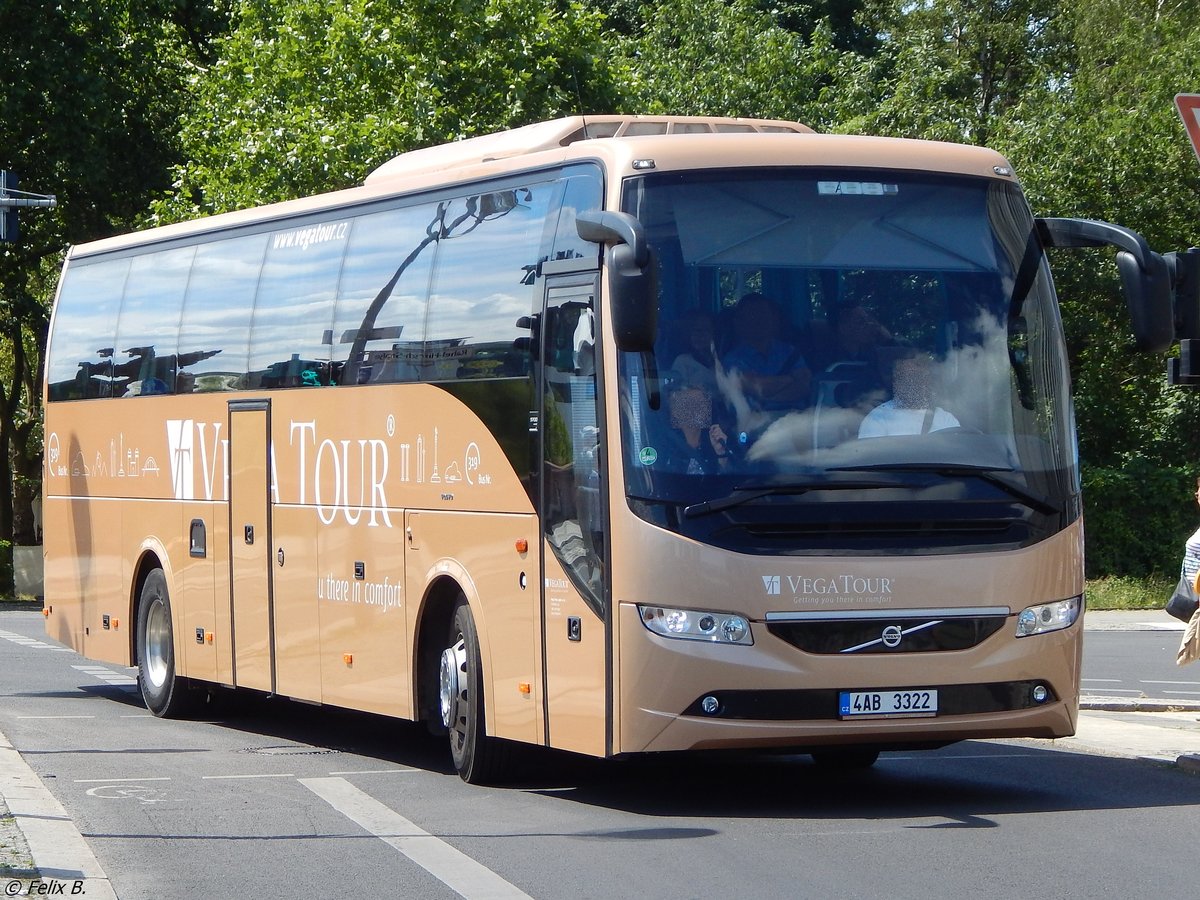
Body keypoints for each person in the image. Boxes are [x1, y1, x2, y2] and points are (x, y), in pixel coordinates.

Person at [720, 293, 811, 411]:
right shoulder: (732, 359)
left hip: (796, 419)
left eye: (763, 313)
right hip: (753, 423)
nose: (759, 320)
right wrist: (791, 378)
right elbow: (758, 388)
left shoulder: (789, 351)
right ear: (739, 322)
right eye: (752, 315)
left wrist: (768, 396)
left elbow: (804, 387)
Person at [858, 353, 959, 437]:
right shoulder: (878, 418)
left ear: (928, 382)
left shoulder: (946, 419)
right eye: (908, 378)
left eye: (920, 377)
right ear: (896, 383)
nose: (915, 383)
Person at [659, 384, 732, 475]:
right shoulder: (664, 446)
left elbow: (725, 482)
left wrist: (721, 453)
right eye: (692, 403)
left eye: (703, 403)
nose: (700, 408)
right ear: (675, 412)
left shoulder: (715, 440)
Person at [669, 310, 718, 391]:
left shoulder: (724, 362)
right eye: (696, 330)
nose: (700, 335)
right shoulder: (682, 361)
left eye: (706, 330)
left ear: (714, 333)